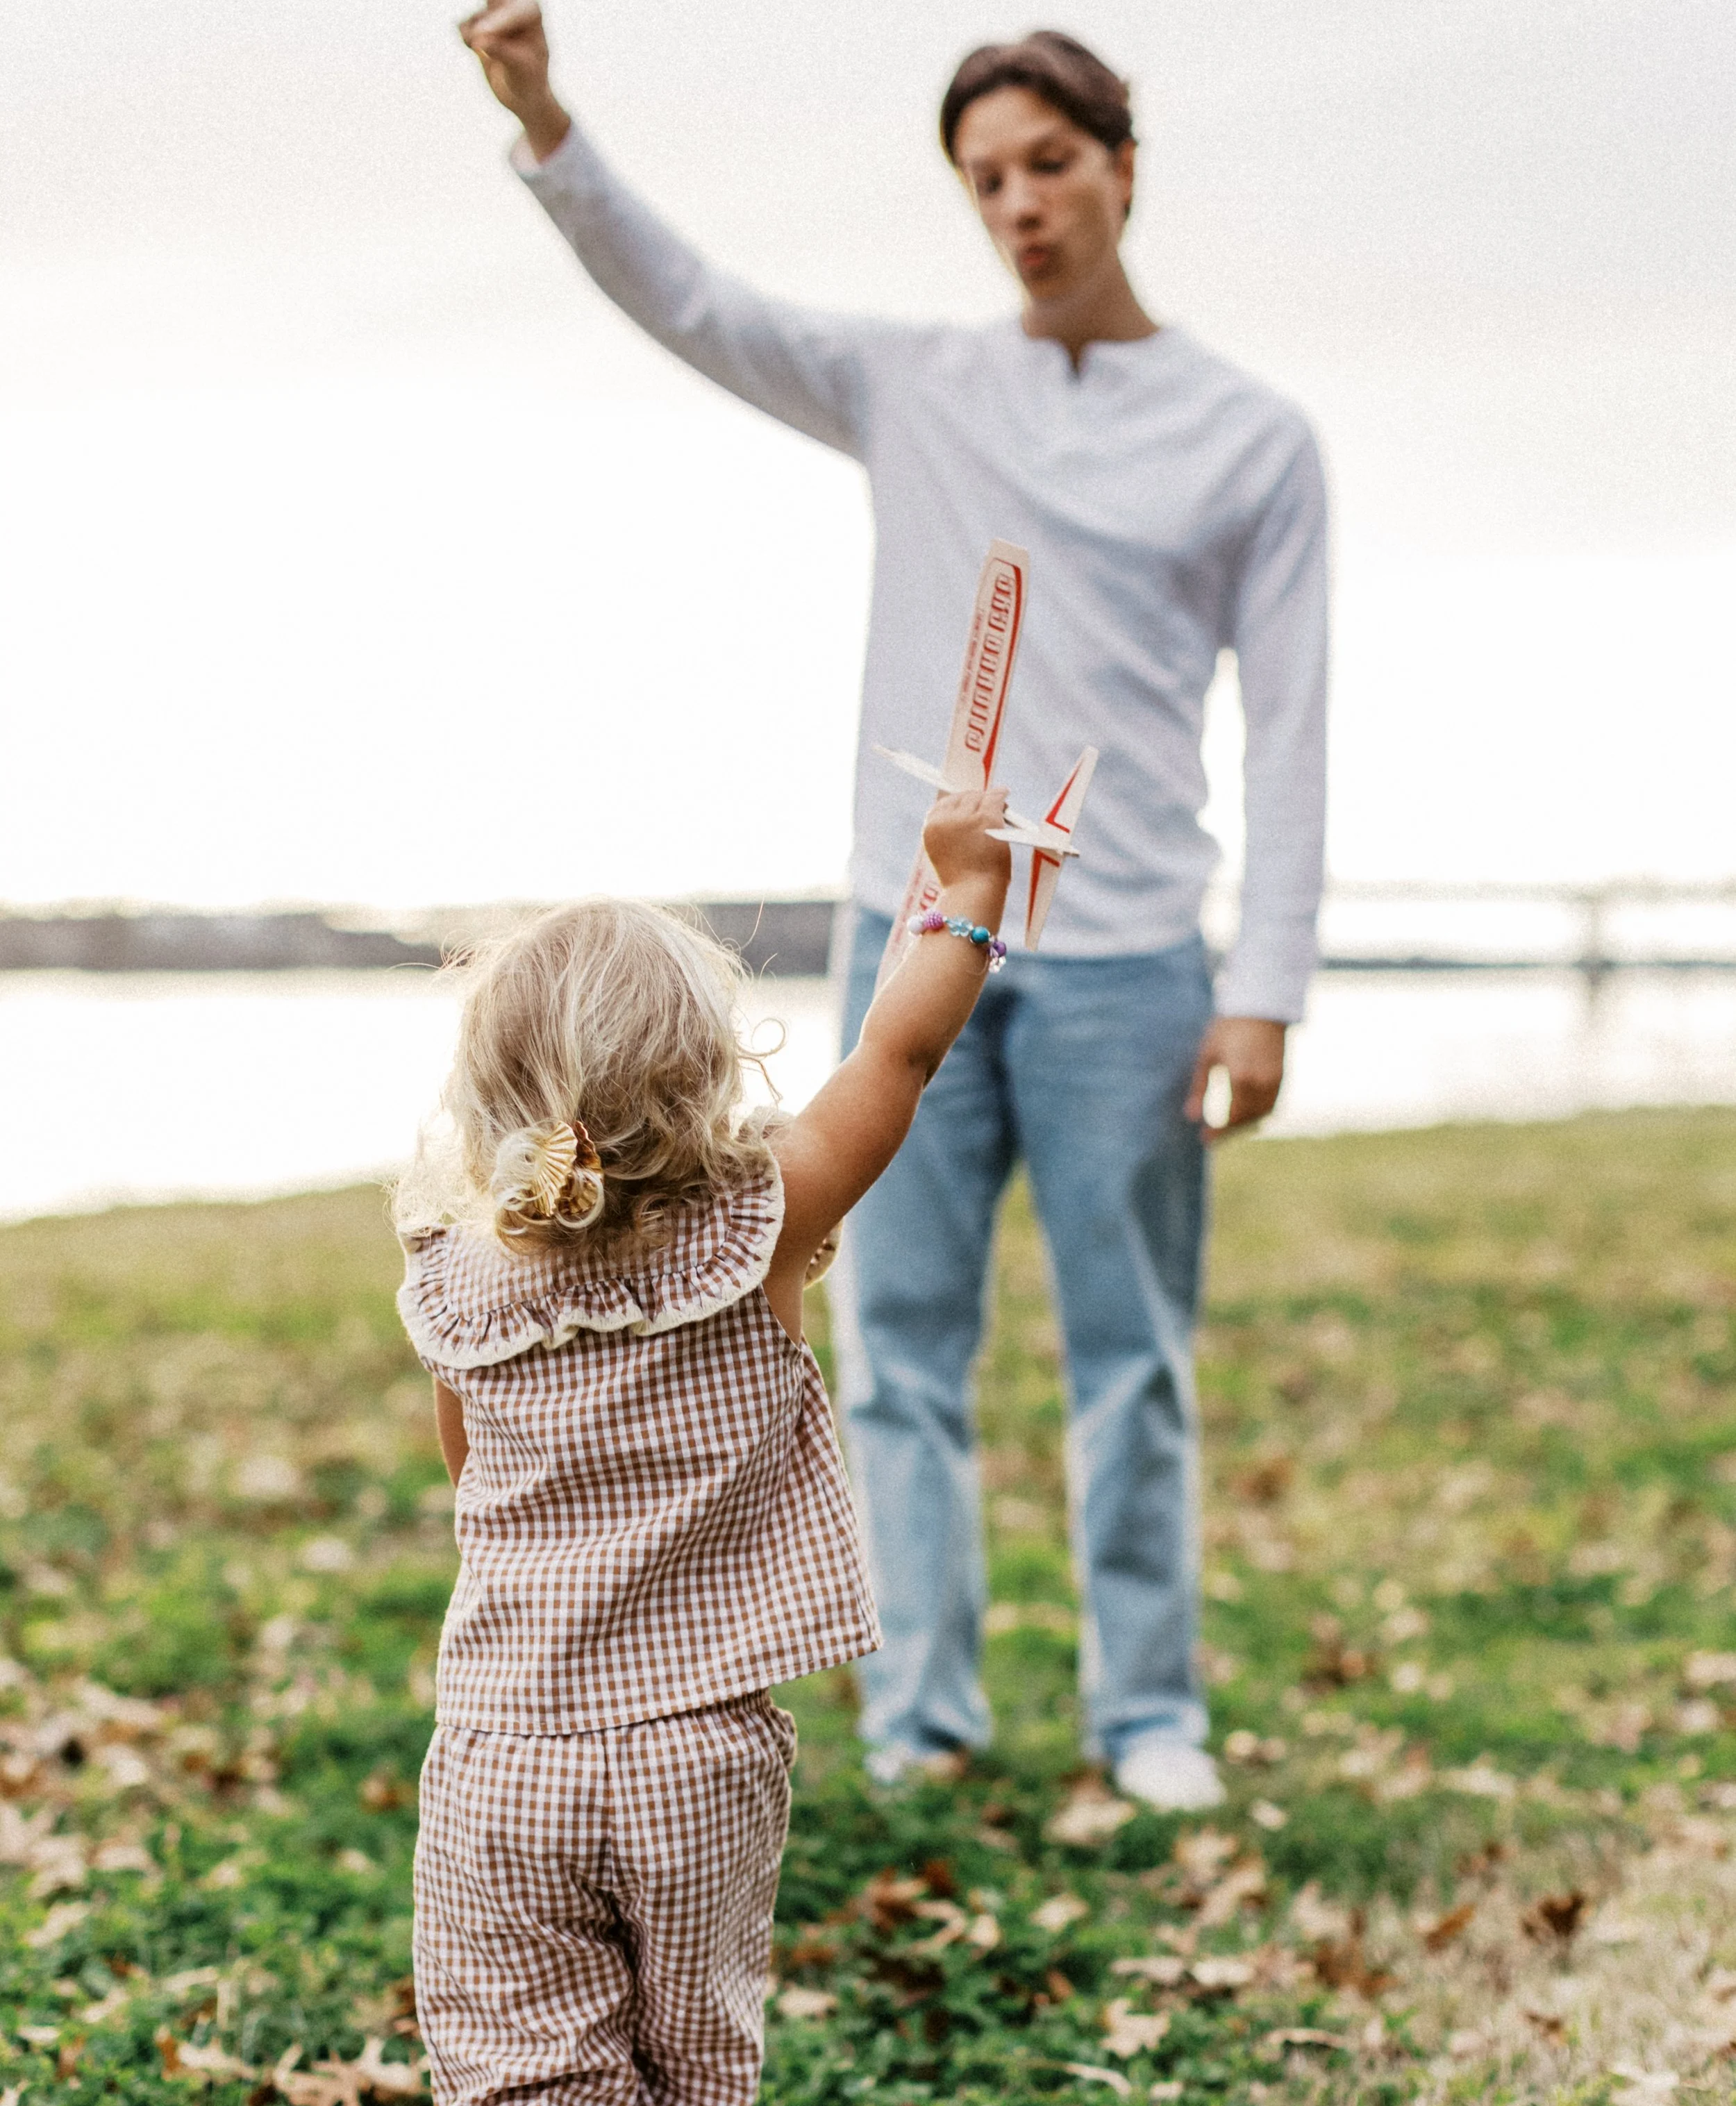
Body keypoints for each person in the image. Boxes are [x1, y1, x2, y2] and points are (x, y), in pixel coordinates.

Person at [459, 12, 1330, 1812]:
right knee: (892, 1352)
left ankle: (1146, 1715)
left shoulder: (1252, 438)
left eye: (1049, 165)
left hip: (1131, 957)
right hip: (909, 942)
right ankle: (921, 1714)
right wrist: (545, 122)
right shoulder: (911, 381)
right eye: (984, 179)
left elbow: (1292, 720)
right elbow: (690, 301)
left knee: (1131, 1358)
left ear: (1121, 166)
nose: (1019, 206)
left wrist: (1264, 986)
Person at [394, 792, 1013, 2106]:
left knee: (515, 2072)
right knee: (679, 2063)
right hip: (696, 1753)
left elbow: (467, 1475)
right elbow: (894, 1062)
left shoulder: (458, 1284)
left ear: (494, 1091)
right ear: (702, 1067)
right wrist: (961, 897)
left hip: (502, 1758)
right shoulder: (761, 1231)